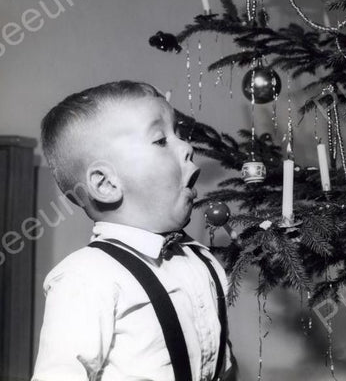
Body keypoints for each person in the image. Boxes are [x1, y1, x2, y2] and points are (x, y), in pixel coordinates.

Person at [32, 80, 236, 381]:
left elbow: (223, 362)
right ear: (106, 184)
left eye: (178, 134)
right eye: (161, 140)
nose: (187, 147)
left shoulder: (203, 261)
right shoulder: (87, 277)